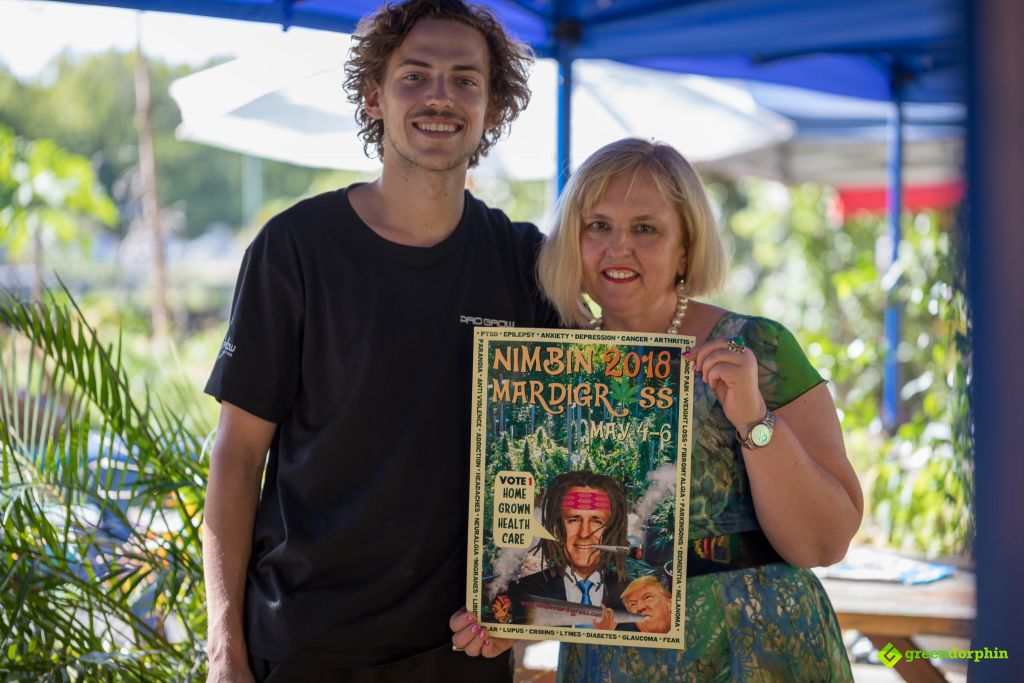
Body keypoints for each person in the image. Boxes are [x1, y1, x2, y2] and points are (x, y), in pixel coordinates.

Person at [202, 1, 559, 681]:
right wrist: (225, 647)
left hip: (461, 650)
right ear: (374, 95)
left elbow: (561, 454)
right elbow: (237, 456)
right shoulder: (296, 249)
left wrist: (522, 600)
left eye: (465, 80)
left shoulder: (525, 264)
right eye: (414, 76)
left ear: (492, 106)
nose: (440, 97)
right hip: (308, 645)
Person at [527, 137, 863, 680]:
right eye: (598, 226)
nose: (618, 248)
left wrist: (754, 419)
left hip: (756, 648)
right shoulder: (544, 370)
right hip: (610, 659)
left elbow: (825, 542)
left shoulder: (758, 347)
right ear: (572, 240)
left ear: (686, 247)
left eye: (646, 228)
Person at [506, 471, 631, 624]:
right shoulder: (525, 592)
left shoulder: (634, 598)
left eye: (596, 521)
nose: (584, 533)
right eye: (573, 520)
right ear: (558, 528)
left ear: (611, 529)